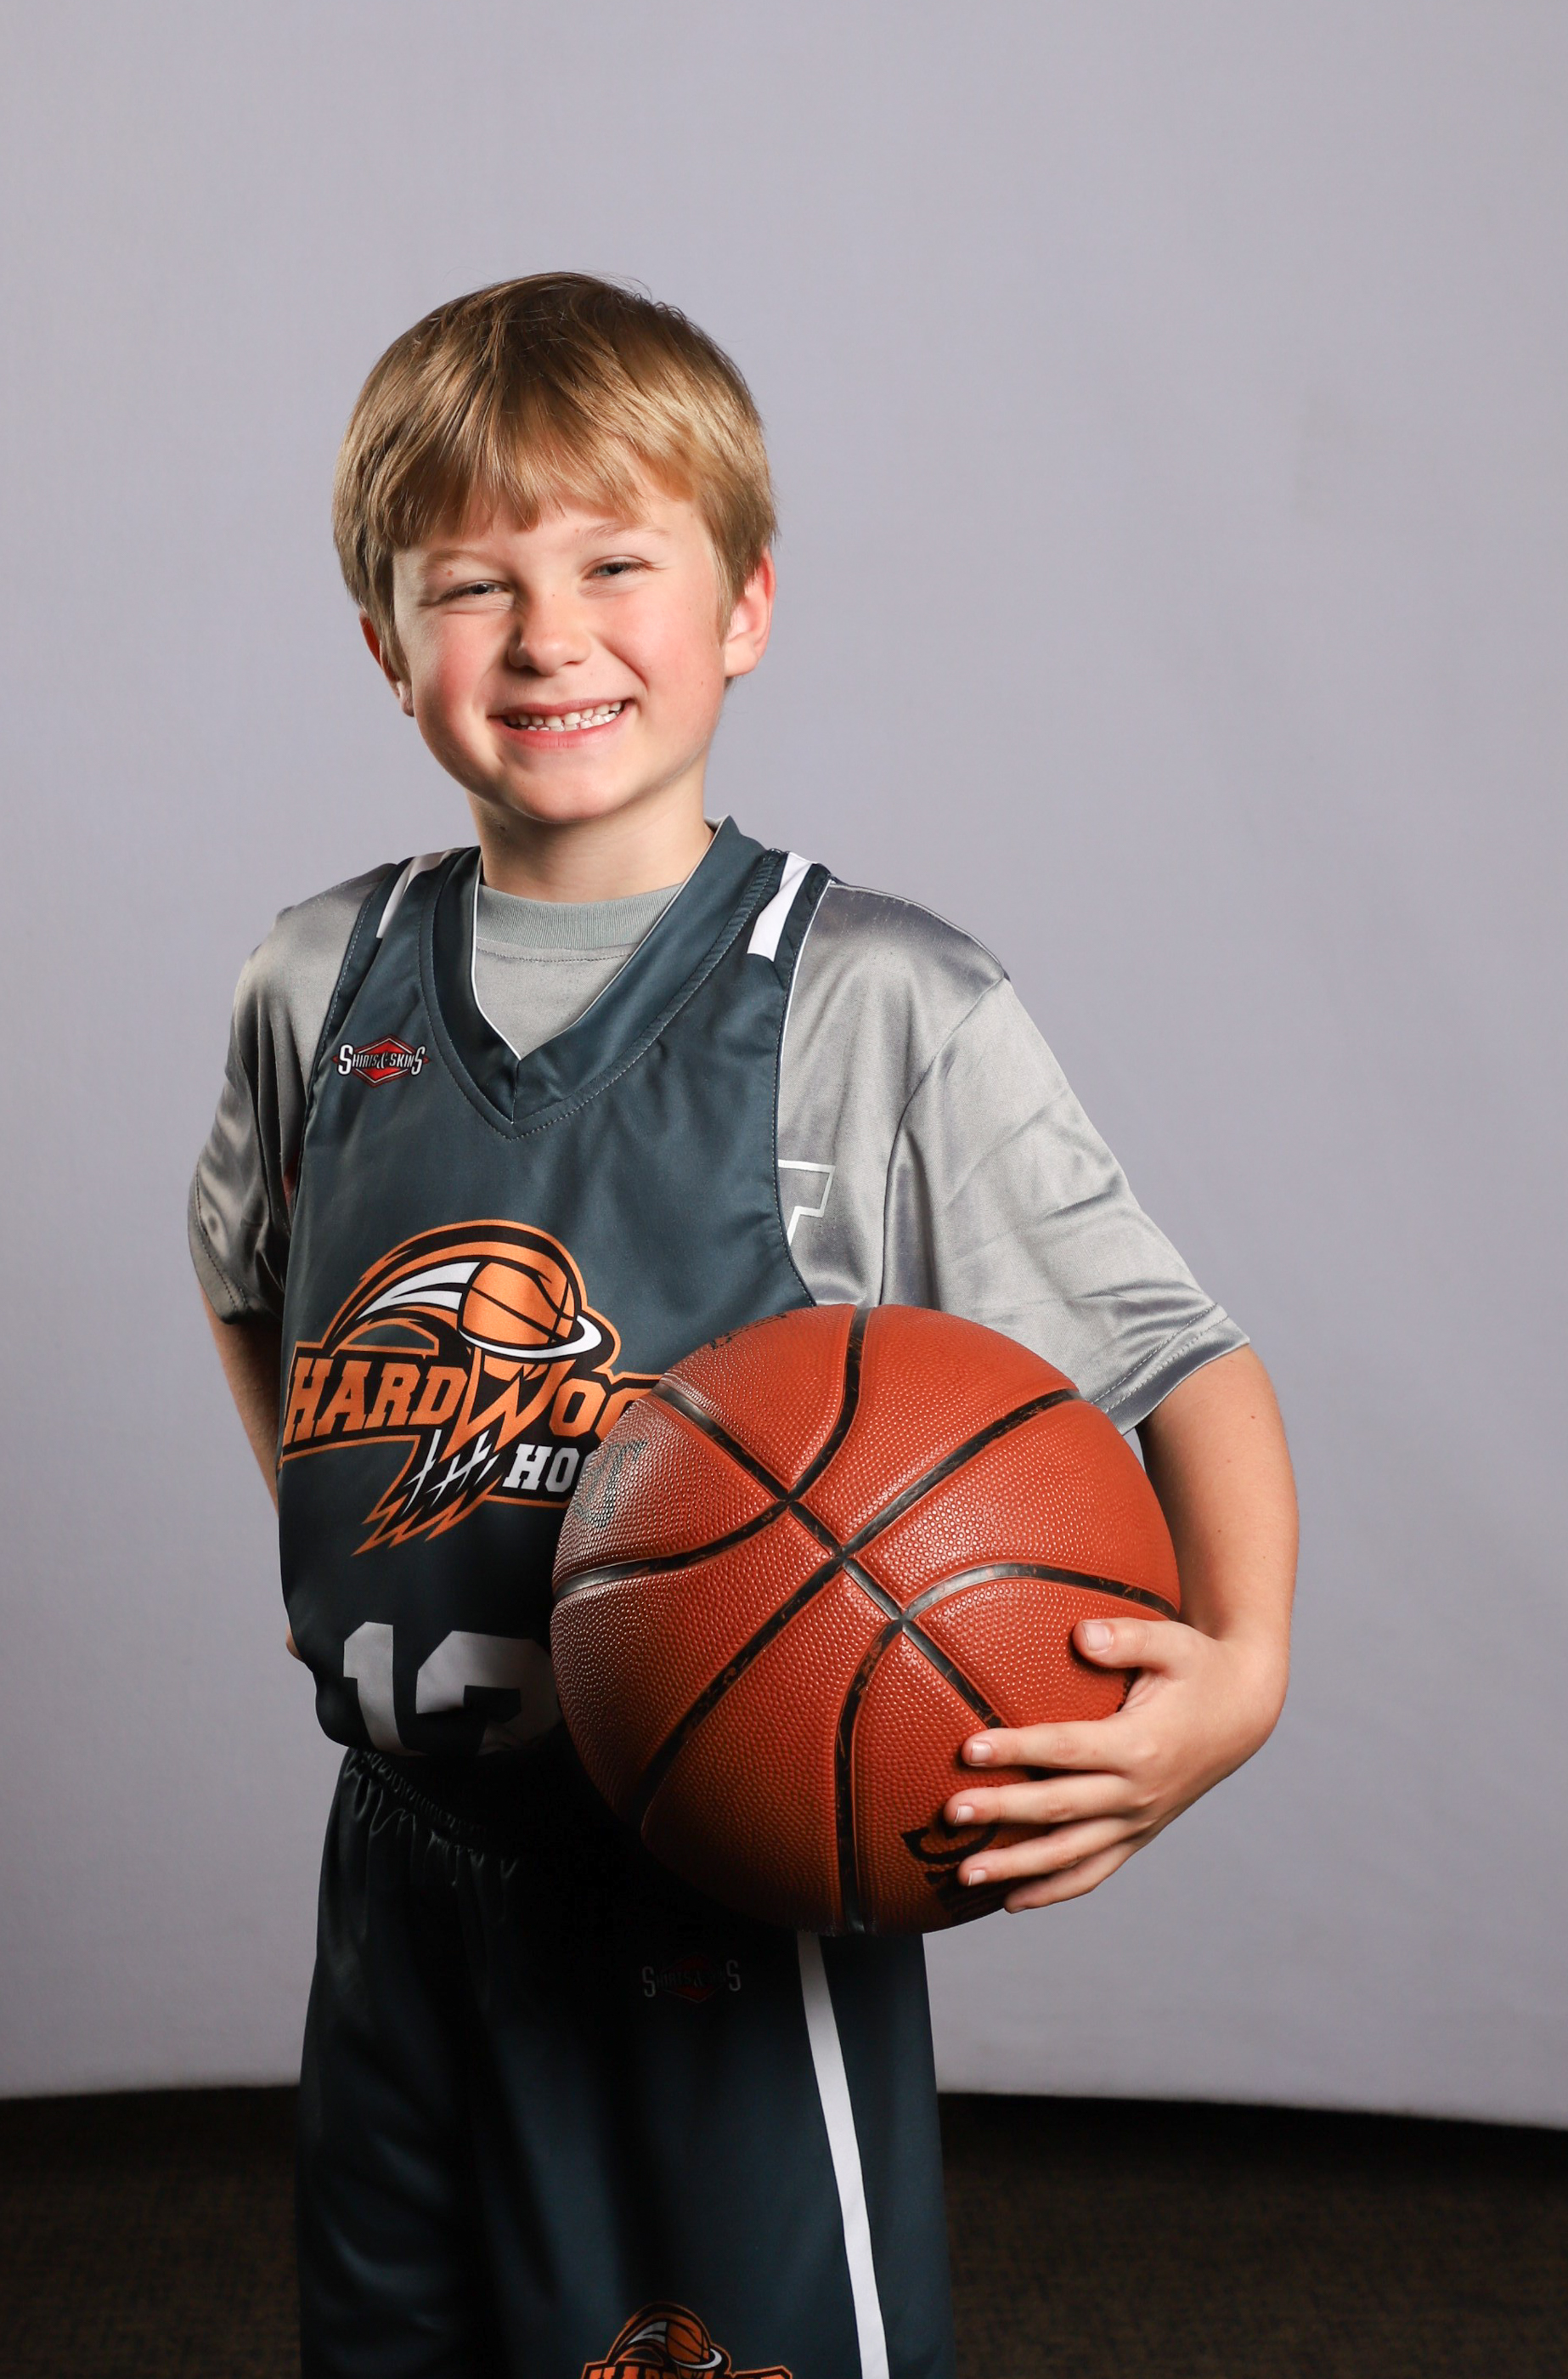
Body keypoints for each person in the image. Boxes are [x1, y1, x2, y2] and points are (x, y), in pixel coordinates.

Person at [190, 273, 1298, 2379]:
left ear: (746, 606)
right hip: (403, 1876)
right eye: (471, 584)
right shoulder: (316, 976)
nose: (550, 636)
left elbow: (1170, 1350)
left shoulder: (873, 995)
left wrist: (1232, 1677)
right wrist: (337, 1529)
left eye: (618, 563)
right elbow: (254, 1268)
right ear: (385, 644)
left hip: (719, 1899)